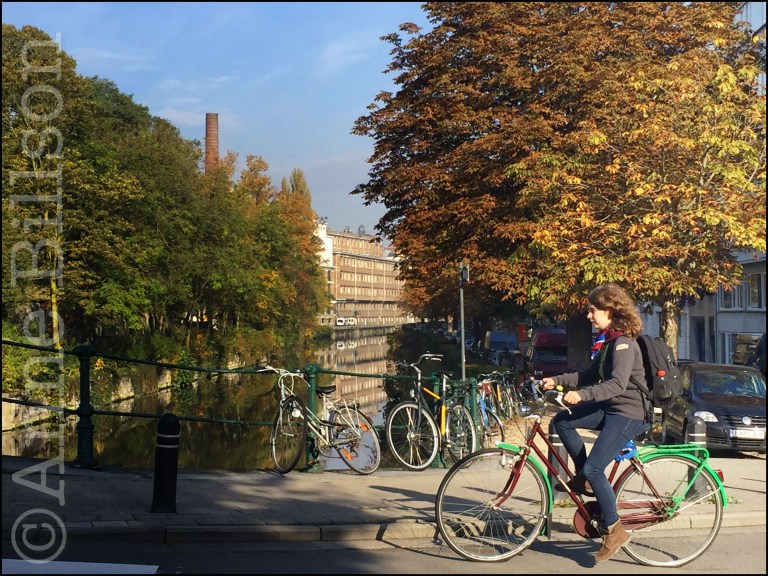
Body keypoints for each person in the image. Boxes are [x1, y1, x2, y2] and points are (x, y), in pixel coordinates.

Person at [542, 283, 649, 564]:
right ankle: (585, 479)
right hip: (611, 408)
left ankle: (615, 530)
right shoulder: (610, 342)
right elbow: (589, 374)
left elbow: (617, 384)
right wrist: (557, 380)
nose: (589, 316)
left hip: (628, 413)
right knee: (562, 421)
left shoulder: (624, 344)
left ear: (610, 310)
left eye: (593, 310)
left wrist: (583, 395)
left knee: (595, 467)